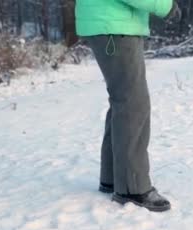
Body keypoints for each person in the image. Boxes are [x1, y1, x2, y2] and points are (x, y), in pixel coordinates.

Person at [75, 0, 180, 212]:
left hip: (109, 23)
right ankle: (132, 187)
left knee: (122, 102)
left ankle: (114, 178)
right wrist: (166, 6)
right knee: (133, 105)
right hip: (114, 26)